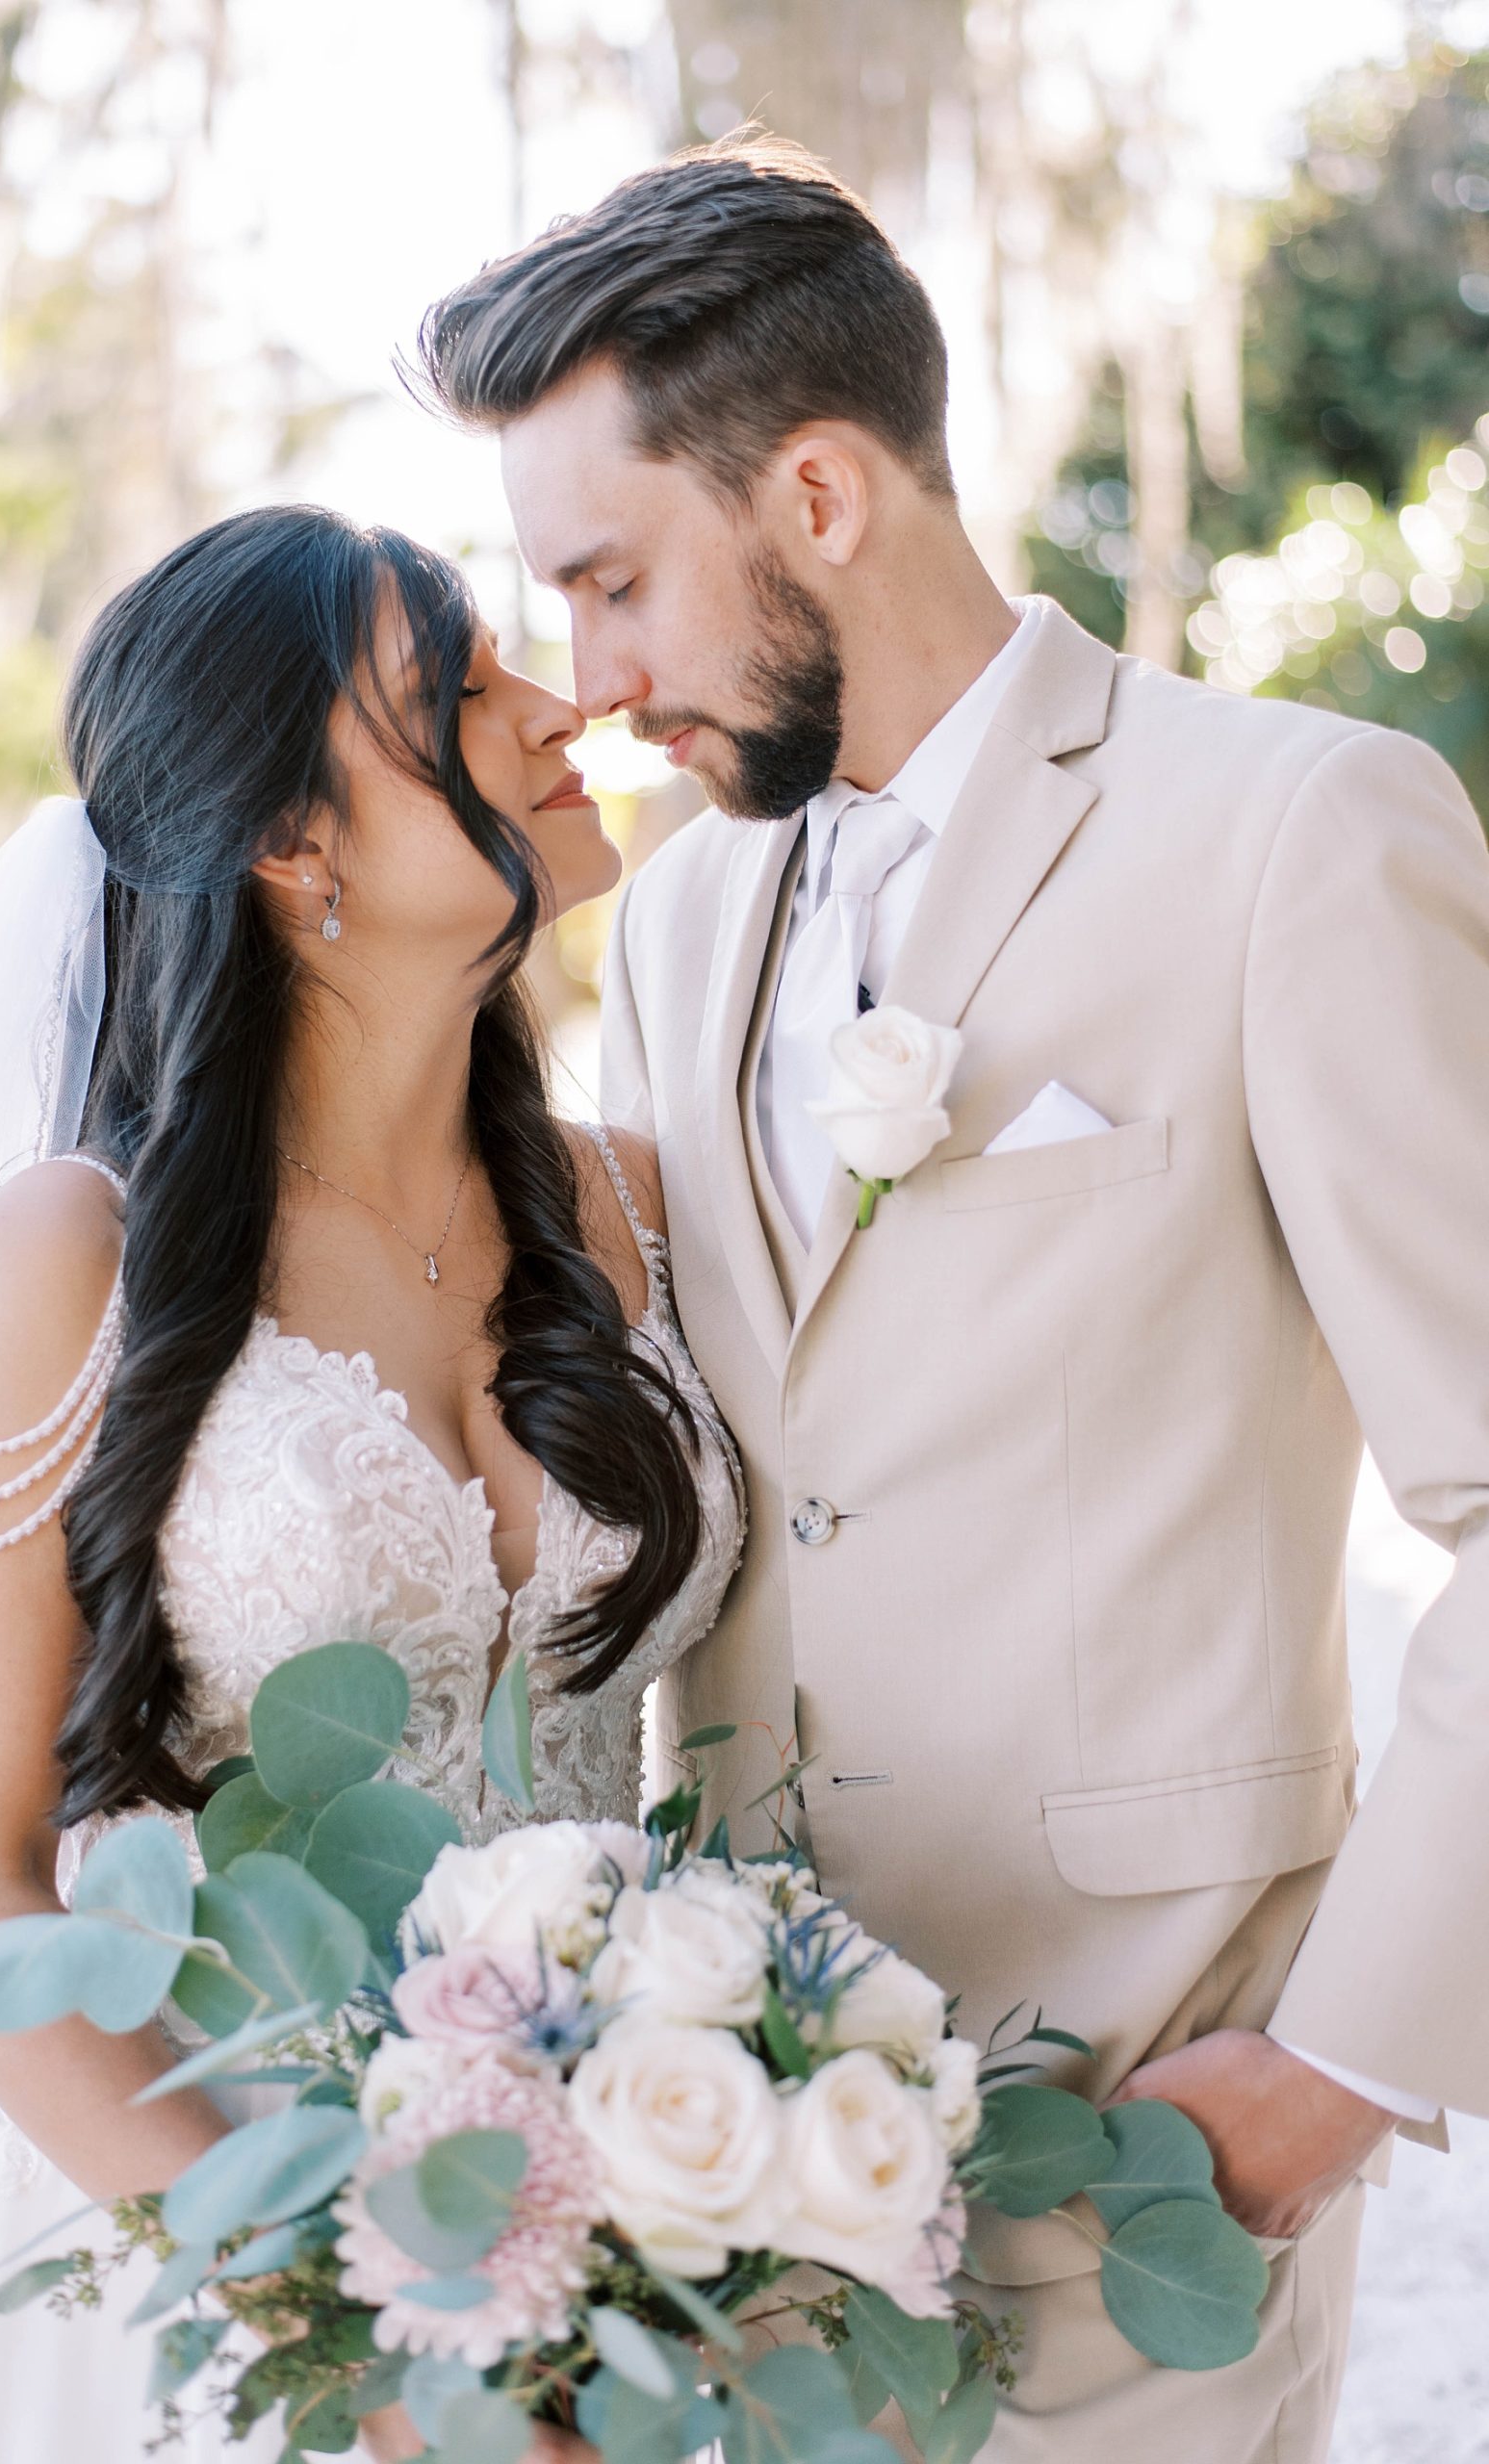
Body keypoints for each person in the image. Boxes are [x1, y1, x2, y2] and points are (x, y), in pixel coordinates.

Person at [418, 131, 1489, 2461]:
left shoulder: (1293, 833)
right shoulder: (685, 920)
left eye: (610, 584)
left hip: (1141, 2154)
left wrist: (1344, 2069)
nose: (586, 684)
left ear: (815, 495)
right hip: (730, 2167)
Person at [0, 504, 741, 2460]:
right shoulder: (67, 1263)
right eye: (460, 689)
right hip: (221, 2256)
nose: (558, 705)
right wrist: (372, 2339)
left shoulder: (629, 1205)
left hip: (622, 2228)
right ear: (288, 839)